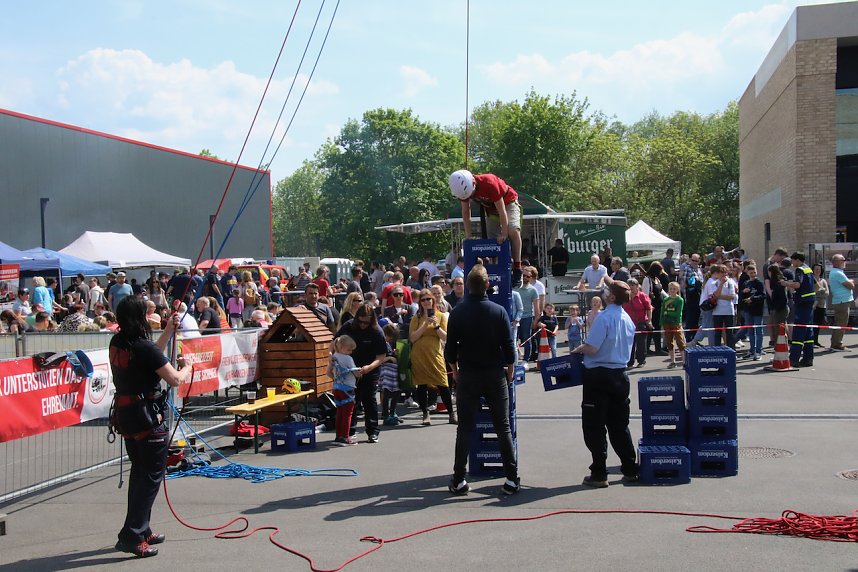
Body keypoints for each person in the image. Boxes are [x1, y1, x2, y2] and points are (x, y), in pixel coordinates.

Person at [110, 296, 191, 558]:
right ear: (139, 317)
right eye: (147, 313)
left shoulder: (119, 342)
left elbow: (151, 355)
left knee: (141, 473)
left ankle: (140, 529)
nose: (150, 317)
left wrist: (167, 331)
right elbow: (175, 379)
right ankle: (133, 534)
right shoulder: (142, 346)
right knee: (150, 477)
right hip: (146, 418)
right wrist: (188, 367)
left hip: (127, 415)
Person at [444, 264, 520, 495]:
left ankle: (458, 479)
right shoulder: (498, 311)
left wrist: (455, 370)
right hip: (494, 373)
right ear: (487, 285)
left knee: (465, 428)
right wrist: (509, 369)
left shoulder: (457, 312)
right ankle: (511, 478)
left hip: (468, 374)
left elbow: (450, 349)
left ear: (467, 286)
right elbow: (509, 348)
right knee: (503, 427)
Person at [570, 281, 639, 487]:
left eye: (607, 291)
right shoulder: (628, 319)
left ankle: (599, 472)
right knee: (619, 425)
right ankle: (629, 468)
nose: (604, 291)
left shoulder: (604, 318)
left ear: (611, 298)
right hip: (619, 374)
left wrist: (578, 349)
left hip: (599, 375)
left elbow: (592, 347)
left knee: (594, 425)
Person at [449, 170, 524, 286]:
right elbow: (465, 212)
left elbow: (502, 210)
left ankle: (518, 267)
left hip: (507, 202)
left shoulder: (489, 182)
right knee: (492, 241)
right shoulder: (461, 190)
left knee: (512, 230)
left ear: (473, 183)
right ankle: (496, 271)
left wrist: (504, 233)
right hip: (490, 209)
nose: (471, 197)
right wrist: (468, 236)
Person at [335, 303, 387, 443]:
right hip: (350, 371)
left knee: (369, 399)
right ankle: (349, 432)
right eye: (361, 321)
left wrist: (369, 367)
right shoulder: (349, 326)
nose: (363, 325)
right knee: (352, 401)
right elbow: (336, 340)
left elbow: (381, 356)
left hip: (369, 370)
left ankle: (372, 431)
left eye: (367, 322)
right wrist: (331, 356)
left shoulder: (377, 332)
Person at [410, 288, 455, 425]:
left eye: (428, 299)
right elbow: (412, 338)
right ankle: (425, 413)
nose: (426, 302)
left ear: (433, 300)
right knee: (422, 386)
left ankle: (451, 413)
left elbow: (446, 337)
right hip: (419, 355)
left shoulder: (441, 315)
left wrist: (435, 326)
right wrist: (424, 325)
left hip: (435, 354)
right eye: (423, 300)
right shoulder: (416, 317)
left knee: (443, 383)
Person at [781, 252, 815, 367]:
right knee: (808, 332)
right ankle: (808, 358)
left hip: (802, 303)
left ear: (797, 260)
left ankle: (794, 358)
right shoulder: (808, 269)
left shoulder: (800, 269)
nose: (792, 263)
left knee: (799, 331)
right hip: (809, 302)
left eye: (793, 260)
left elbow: (798, 285)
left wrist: (785, 283)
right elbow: (808, 284)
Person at [329, 335, 360, 446]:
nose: (350, 352)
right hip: (347, 388)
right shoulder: (348, 359)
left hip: (337, 387)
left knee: (340, 413)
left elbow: (329, 372)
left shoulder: (334, 357)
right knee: (348, 414)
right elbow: (356, 373)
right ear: (341, 347)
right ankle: (345, 437)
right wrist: (361, 372)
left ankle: (338, 436)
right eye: (349, 349)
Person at [622, 278, 652, 368]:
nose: (631, 287)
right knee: (629, 342)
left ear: (637, 286)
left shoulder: (642, 296)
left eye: (633, 285)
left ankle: (641, 360)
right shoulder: (625, 297)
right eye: (629, 285)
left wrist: (649, 320)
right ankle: (629, 361)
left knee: (641, 342)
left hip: (641, 321)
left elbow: (649, 308)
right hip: (629, 323)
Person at [739, 265, 766, 361]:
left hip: (757, 310)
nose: (753, 274)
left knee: (759, 331)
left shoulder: (759, 283)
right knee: (750, 331)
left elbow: (763, 295)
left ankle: (758, 351)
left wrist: (752, 299)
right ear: (747, 273)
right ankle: (751, 350)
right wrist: (743, 292)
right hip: (748, 310)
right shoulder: (746, 283)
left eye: (754, 272)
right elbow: (741, 296)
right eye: (751, 272)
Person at [828, 253, 854, 351]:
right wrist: (850, 282)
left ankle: (835, 342)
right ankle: (837, 344)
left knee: (839, 322)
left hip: (840, 300)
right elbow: (850, 285)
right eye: (843, 260)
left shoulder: (837, 272)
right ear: (836, 262)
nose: (844, 262)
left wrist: (849, 281)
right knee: (841, 323)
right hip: (842, 301)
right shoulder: (837, 273)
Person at [379, 323, 402, 426]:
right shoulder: (381, 343)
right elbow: (379, 359)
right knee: (387, 392)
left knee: (396, 392)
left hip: (392, 370)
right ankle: (386, 414)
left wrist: (393, 352)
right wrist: (389, 358)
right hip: (386, 371)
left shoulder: (387, 343)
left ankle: (392, 412)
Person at [513, 269, 539, 362]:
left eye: (527, 276)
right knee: (514, 339)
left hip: (527, 317)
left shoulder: (533, 290)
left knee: (527, 339)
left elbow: (536, 307)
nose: (525, 277)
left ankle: (526, 360)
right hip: (515, 317)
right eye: (523, 275)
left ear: (531, 278)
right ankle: (514, 359)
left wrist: (536, 319)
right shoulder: (515, 288)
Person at [661, 282, 686, 368]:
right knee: (669, 342)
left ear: (677, 290)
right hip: (667, 323)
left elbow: (678, 313)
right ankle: (673, 361)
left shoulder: (680, 300)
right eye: (670, 289)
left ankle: (684, 362)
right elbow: (662, 312)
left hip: (676, 323)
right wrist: (662, 322)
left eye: (674, 289)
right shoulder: (665, 300)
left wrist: (667, 313)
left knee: (680, 342)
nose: (672, 290)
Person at [811, 263, 828, 348]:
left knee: (818, 324)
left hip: (821, 305)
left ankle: (816, 341)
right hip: (813, 306)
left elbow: (827, 293)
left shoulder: (823, 281)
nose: (818, 271)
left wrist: (818, 295)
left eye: (819, 269)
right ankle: (811, 341)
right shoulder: (811, 279)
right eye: (816, 269)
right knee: (812, 323)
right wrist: (821, 291)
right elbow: (812, 293)